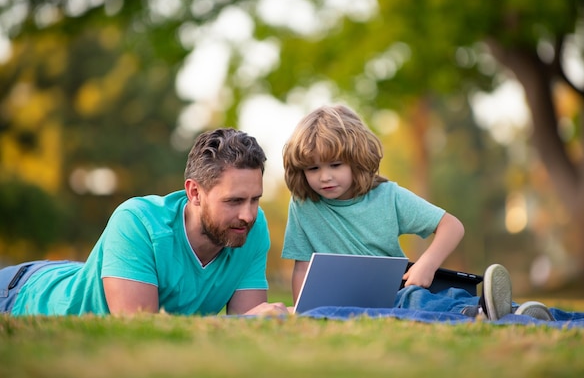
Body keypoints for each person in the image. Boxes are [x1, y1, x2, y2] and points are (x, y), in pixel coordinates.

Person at [281, 104, 553, 321]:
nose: (324, 177)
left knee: (417, 298)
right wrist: (302, 312)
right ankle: (488, 312)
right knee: (416, 302)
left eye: (335, 164)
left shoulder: (388, 196)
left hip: (394, 293)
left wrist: (425, 265)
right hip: (339, 304)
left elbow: (452, 226)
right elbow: (302, 267)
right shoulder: (303, 205)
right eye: (313, 169)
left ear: (356, 159)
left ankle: (503, 312)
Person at [0, 128, 288, 317]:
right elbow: (140, 329)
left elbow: (250, 324)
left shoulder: (251, 227)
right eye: (234, 201)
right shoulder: (137, 222)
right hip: (19, 295)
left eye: (255, 199)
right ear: (195, 192)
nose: (248, 215)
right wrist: (243, 322)